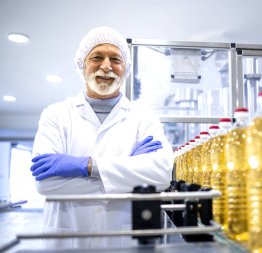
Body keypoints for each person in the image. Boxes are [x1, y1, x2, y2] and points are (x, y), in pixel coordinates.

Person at [30, 26, 174, 248]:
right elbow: (45, 185)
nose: (106, 66)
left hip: (124, 242)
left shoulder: (143, 117)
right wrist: (129, 172)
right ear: (82, 65)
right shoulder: (55, 114)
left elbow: (162, 175)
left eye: (115, 59)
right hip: (68, 242)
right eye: (97, 57)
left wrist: (88, 166)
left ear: (124, 69)